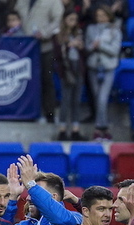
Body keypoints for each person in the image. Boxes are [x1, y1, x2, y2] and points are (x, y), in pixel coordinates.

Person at [16, 0, 61, 123]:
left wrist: (44, 32)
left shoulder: (53, 2)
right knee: (25, 81)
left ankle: (49, 114)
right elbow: (15, 17)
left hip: (44, 47)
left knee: (46, 80)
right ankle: (27, 113)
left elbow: (58, 20)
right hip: (24, 48)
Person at [85, 5, 121, 141]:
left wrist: (100, 45)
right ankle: (102, 130)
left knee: (102, 98)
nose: (100, 18)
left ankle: (100, 128)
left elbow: (115, 50)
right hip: (93, 66)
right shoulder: (90, 29)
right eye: (98, 15)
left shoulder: (114, 30)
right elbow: (87, 47)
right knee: (96, 97)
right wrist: (92, 46)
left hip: (108, 67)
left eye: (103, 15)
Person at [53, 10, 85, 141]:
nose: (73, 22)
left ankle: (75, 129)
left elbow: (84, 53)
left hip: (78, 67)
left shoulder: (79, 33)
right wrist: (68, 45)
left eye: (75, 19)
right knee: (66, 100)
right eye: (70, 19)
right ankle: (62, 129)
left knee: (76, 100)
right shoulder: (58, 35)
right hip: (66, 69)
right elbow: (57, 55)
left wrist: (81, 46)